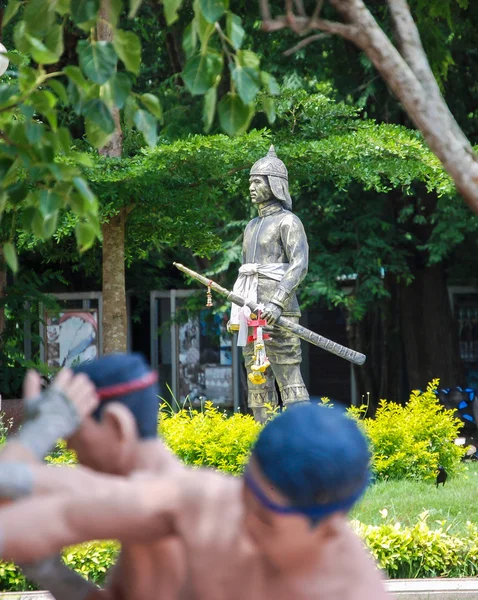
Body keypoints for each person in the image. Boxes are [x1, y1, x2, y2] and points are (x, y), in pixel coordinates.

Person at [0, 395, 389, 599]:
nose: (244, 521)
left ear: (329, 525)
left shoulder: (350, 591)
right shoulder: (209, 503)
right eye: (246, 495)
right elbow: (68, 511)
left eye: (267, 519)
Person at [0, 353, 184, 600]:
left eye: (74, 436)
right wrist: (53, 573)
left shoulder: (167, 505)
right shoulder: (151, 499)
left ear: (117, 424)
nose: (71, 450)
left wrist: (39, 433)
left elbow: (5, 484)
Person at [229, 145, 310, 422]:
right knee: (257, 379)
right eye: (250, 181)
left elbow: (299, 264)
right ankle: (264, 441)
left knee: (290, 377)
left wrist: (277, 302)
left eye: (257, 181)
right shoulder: (251, 226)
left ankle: (301, 437)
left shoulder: (289, 221)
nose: (251, 187)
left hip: (280, 312)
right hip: (251, 312)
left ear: (274, 184)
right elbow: (246, 272)